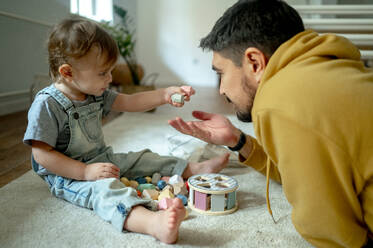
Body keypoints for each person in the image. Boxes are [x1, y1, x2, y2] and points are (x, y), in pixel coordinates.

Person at [168, 0, 373, 247]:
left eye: (221, 73)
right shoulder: (326, 70)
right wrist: (238, 140)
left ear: (254, 62)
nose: (221, 89)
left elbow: (327, 230)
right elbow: (300, 173)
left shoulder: (281, 101)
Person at [23, 18, 230, 244]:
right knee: (105, 191)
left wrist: (164, 94)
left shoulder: (95, 93)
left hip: (102, 159)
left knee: (143, 158)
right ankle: (153, 224)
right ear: (68, 72)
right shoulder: (46, 104)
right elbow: (41, 155)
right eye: (103, 73)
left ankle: (193, 168)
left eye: (110, 71)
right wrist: (84, 172)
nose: (110, 79)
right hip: (69, 176)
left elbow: (131, 102)